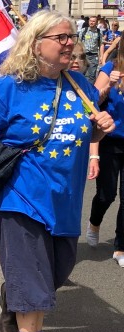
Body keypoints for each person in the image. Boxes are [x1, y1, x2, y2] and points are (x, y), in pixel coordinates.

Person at [0, 10, 114, 332]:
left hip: (65, 204)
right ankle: (24, 314)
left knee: (50, 278)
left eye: (72, 37)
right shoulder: (10, 89)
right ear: (36, 44)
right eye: (61, 38)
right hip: (20, 201)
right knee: (35, 294)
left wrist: (101, 131)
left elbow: (85, 134)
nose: (70, 44)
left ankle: (15, 297)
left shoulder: (81, 86)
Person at [86, 31, 124, 268]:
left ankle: (120, 245)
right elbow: (93, 104)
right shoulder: (111, 67)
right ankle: (94, 222)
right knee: (106, 194)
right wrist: (108, 85)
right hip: (111, 141)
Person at [79, 16, 103, 84]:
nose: (91, 22)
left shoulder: (99, 32)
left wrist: (101, 56)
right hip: (84, 56)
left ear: (96, 23)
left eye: (93, 21)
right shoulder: (84, 30)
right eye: (90, 21)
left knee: (91, 75)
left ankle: (89, 90)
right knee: (81, 73)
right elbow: (79, 42)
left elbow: (101, 45)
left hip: (93, 56)